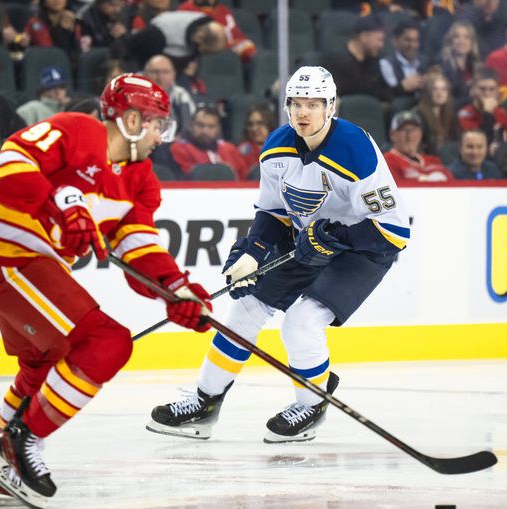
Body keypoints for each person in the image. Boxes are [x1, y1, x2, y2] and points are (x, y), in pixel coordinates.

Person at [0, 73, 213, 509]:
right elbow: (8, 163)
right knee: (106, 342)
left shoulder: (141, 180)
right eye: (157, 125)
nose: (160, 137)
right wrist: (54, 203)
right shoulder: (79, 130)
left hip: (29, 264)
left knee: (43, 361)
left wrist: (175, 290)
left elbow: (138, 247)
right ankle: (20, 445)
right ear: (132, 119)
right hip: (10, 252)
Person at [147, 66, 410, 444]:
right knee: (244, 308)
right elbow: (273, 213)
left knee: (301, 323)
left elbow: (394, 231)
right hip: (308, 240)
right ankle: (205, 403)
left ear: (330, 106)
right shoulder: (276, 148)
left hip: (363, 250)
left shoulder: (356, 149)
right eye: (296, 103)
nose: (304, 112)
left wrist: (335, 236)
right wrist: (253, 253)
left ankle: (311, 403)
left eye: (314, 104)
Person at [325, 15, 391, 103]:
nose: (381, 45)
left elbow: (383, 94)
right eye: (379, 40)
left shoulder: (374, 61)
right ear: (364, 37)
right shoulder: (336, 61)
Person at [170, 103, 246, 180]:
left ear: (218, 129)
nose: (205, 131)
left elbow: (243, 179)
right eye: (200, 125)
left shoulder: (229, 149)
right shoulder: (180, 148)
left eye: (211, 126)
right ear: (191, 126)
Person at [383, 110, 454, 183]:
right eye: (404, 130)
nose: (409, 136)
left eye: (413, 130)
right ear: (392, 134)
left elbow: (454, 185)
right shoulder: (386, 161)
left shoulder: (434, 161)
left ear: (421, 133)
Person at [457, 66, 507, 147]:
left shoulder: (502, 114)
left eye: (492, 89)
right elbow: (478, 143)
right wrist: (487, 113)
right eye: (482, 89)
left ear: (497, 92)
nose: (487, 94)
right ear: (473, 90)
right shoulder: (465, 114)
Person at [144, 54, 195, 137]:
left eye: (165, 72)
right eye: (155, 72)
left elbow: (189, 126)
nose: (160, 77)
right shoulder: (135, 94)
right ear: (145, 74)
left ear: (173, 74)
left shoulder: (181, 95)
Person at [414, 70, 458, 155]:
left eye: (444, 89)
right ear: (428, 92)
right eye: (435, 89)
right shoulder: (418, 115)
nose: (439, 93)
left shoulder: (451, 115)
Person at [379, 20, 425, 100]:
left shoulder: (425, 62)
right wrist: (402, 87)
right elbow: (387, 95)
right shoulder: (386, 64)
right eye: (408, 40)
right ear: (395, 41)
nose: (413, 45)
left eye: (416, 41)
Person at [437, 21, 480, 106]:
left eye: (466, 37)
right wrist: (470, 95)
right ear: (450, 41)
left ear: (472, 42)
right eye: (456, 37)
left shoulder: (478, 66)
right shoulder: (442, 66)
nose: (461, 41)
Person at [237, 103, 274, 180]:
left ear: (269, 125)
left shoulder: (281, 148)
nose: (254, 129)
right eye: (250, 124)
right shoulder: (243, 151)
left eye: (260, 123)